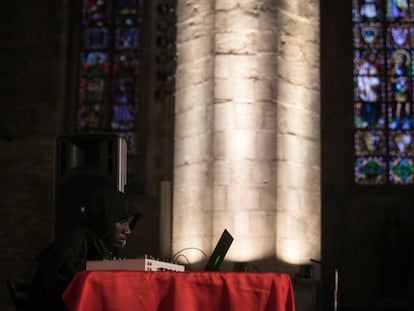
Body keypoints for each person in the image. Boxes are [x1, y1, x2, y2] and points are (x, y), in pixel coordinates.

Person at [24, 186, 141, 311]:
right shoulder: (75, 239)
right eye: (123, 222)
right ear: (105, 218)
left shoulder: (104, 246)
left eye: (129, 223)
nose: (128, 230)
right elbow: (56, 278)